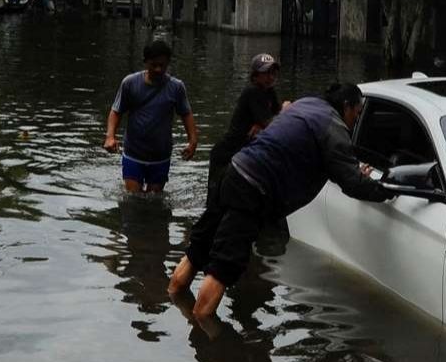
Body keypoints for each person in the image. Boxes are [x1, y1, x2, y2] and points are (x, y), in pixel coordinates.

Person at [171, 83, 390, 319]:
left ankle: (175, 299)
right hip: (254, 188)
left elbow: (312, 154)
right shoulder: (334, 127)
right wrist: (385, 189)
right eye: (356, 114)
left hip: (235, 170)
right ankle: (200, 334)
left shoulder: (305, 104)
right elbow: (352, 184)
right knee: (225, 266)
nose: (355, 121)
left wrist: (353, 174)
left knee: (199, 248)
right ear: (346, 106)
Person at [104, 38, 198, 194]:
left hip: (160, 155)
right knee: (133, 200)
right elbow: (116, 111)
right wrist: (110, 136)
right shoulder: (130, 83)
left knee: (154, 199)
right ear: (145, 62)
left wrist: (193, 141)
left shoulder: (176, 87)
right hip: (134, 153)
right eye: (154, 65)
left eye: (163, 65)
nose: (159, 69)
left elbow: (186, 114)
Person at [206, 53, 286, 208]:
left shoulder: (269, 91)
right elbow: (271, 122)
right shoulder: (253, 91)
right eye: (266, 73)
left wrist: (264, 122)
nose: (270, 77)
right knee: (215, 202)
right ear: (255, 76)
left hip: (242, 154)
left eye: (273, 73)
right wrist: (282, 112)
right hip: (226, 154)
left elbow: (274, 115)